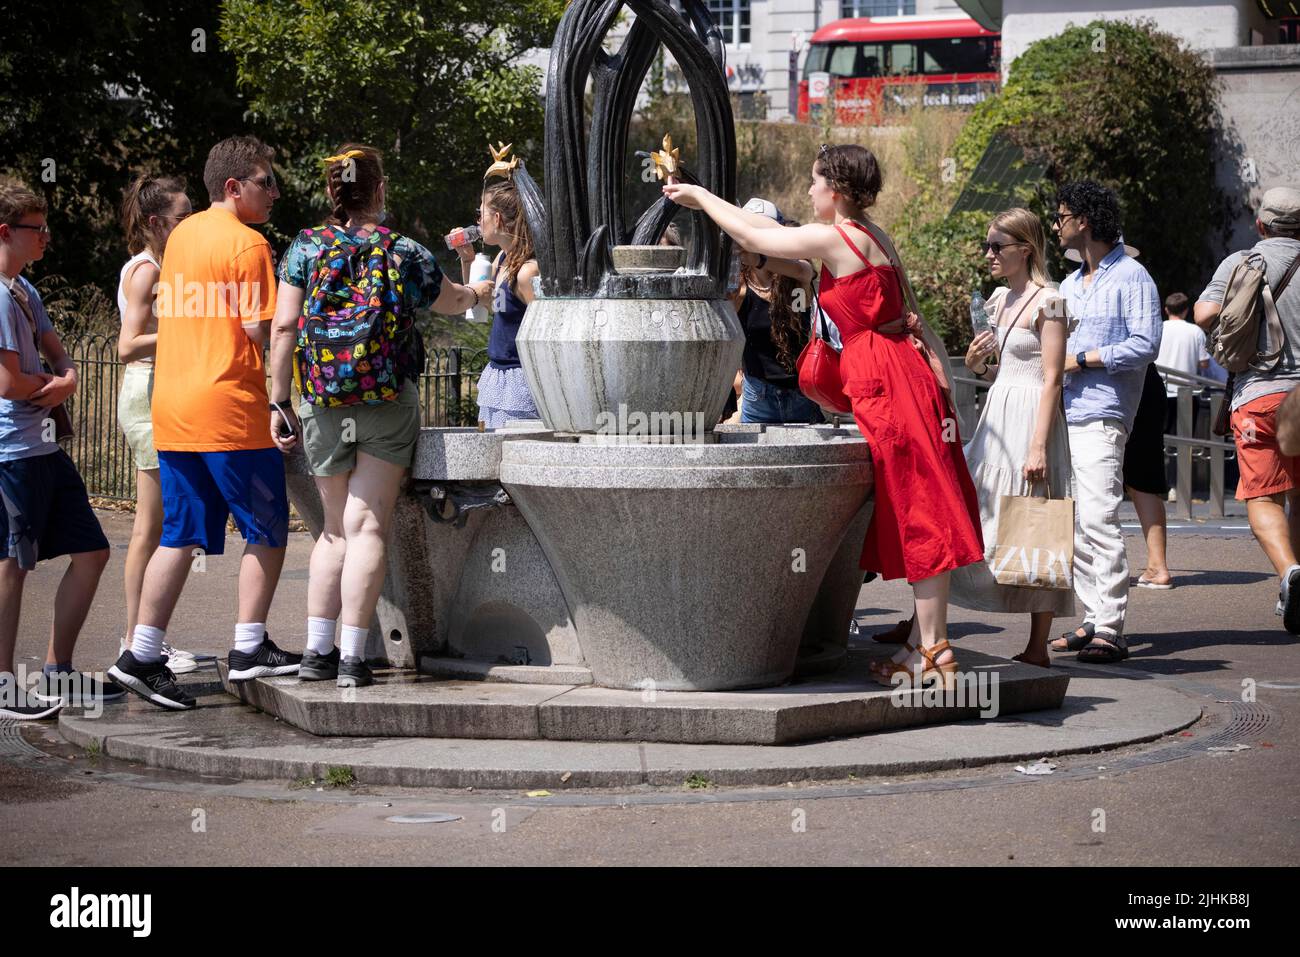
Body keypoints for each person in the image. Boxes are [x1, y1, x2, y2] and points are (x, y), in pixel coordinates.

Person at [664, 144, 984, 688]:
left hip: (889, 386)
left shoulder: (837, 237)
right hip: (902, 378)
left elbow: (757, 237)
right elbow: (912, 316)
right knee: (921, 504)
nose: (808, 192)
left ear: (834, 190)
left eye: (814, 183)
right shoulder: (872, 236)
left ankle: (935, 654)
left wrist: (696, 197)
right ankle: (919, 647)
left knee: (921, 511)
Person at [270, 144, 491, 687]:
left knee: (331, 533)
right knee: (367, 527)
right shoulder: (404, 252)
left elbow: (282, 328)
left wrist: (280, 401)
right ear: (380, 191)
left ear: (330, 192)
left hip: (323, 403)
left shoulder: (305, 247)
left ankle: (317, 654)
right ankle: (351, 659)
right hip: (387, 400)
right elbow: (453, 303)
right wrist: (478, 289)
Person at [108, 136, 296, 710]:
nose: (275, 193)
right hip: (229, 409)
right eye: (267, 182)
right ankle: (247, 647)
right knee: (267, 527)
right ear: (234, 187)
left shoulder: (181, 236)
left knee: (179, 534)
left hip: (174, 407)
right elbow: (263, 330)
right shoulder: (248, 244)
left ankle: (141, 654)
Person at [0, 179, 121, 718]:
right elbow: (8, 383)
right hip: (12, 452)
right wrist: (59, 385)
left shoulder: (25, 289)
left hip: (43, 447)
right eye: (37, 228)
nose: (46, 236)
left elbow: (55, 351)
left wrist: (65, 378)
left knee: (92, 550)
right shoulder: (1, 295)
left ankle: (57, 672)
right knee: (11, 565)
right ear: (6, 231)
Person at [950, 207, 1073, 667]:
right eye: (987, 245)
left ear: (1025, 248)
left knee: (1037, 525)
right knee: (980, 517)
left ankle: (1038, 646)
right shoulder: (998, 300)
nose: (989, 254)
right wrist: (977, 361)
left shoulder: (1052, 299)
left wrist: (1039, 445)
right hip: (998, 412)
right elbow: (995, 370)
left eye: (997, 246)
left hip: (1033, 418)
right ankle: (931, 621)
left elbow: (1053, 378)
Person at [1048, 181, 1162, 663]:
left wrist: (1085, 359)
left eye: (1061, 217)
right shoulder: (1071, 283)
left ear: (1084, 222)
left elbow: (1145, 344)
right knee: (1072, 526)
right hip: (1065, 411)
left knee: (1099, 517)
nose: (1056, 225)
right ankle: (1092, 618)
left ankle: (1111, 625)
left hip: (1103, 412)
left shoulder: (1132, 276)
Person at [1194, 185, 1300, 632]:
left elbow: (1203, 314)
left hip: (1261, 394)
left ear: (1261, 224)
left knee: (1263, 494)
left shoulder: (1242, 262)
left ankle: (1291, 573)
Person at [115, 174, 200, 672]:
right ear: (155, 222)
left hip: (163, 392)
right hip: (144, 396)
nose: (189, 223)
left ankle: (145, 637)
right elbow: (127, 347)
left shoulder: (169, 265)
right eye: (182, 216)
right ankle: (134, 640)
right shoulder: (144, 271)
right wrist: (187, 330)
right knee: (150, 525)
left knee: (164, 521)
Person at [730, 198, 820, 425]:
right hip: (759, 396)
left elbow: (804, 271)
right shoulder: (739, 288)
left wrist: (760, 260)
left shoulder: (796, 279)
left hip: (803, 396)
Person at [470, 149, 541, 429]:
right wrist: (467, 261)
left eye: (481, 213)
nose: (478, 220)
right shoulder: (501, 260)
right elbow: (490, 306)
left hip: (520, 381)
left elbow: (546, 332)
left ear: (497, 218)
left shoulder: (527, 271)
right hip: (497, 375)